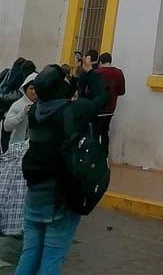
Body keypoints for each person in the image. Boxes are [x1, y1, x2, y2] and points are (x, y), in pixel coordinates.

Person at [15, 62, 106, 275]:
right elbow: (100, 100)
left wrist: (73, 80)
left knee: (29, 256)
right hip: (60, 198)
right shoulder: (74, 111)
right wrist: (91, 72)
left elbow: (60, 97)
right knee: (51, 260)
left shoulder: (35, 111)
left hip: (35, 196)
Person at [0, 72, 37, 269]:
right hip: (16, 155)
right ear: (25, 89)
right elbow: (7, 126)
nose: (34, 92)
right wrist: (23, 113)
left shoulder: (41, 105)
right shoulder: (18, 105)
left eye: (36, 89)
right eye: (31, 89)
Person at [94, 54, 125, 156]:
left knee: (94, 133)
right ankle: (104, 156)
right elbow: (121, 91)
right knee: (104, 133)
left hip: (97, 108)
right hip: (110, 109)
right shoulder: (119, 73)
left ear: (100, 62)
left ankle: (95, 157)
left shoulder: (97, 73)